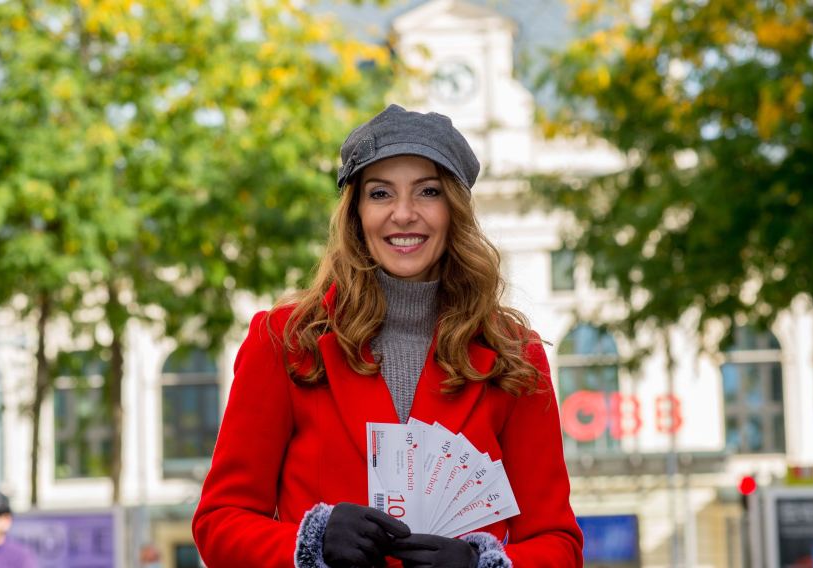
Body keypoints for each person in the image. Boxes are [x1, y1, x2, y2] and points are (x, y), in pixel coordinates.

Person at [192, 104, 583, 567]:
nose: (403, 214)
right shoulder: (284, 341)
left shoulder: (514, 354)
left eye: (428, 192)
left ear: (454, 210)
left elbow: (557, 542)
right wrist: (309, 543)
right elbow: (219, 521)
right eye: (380, 193)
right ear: (355, 212)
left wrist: (482, 565)